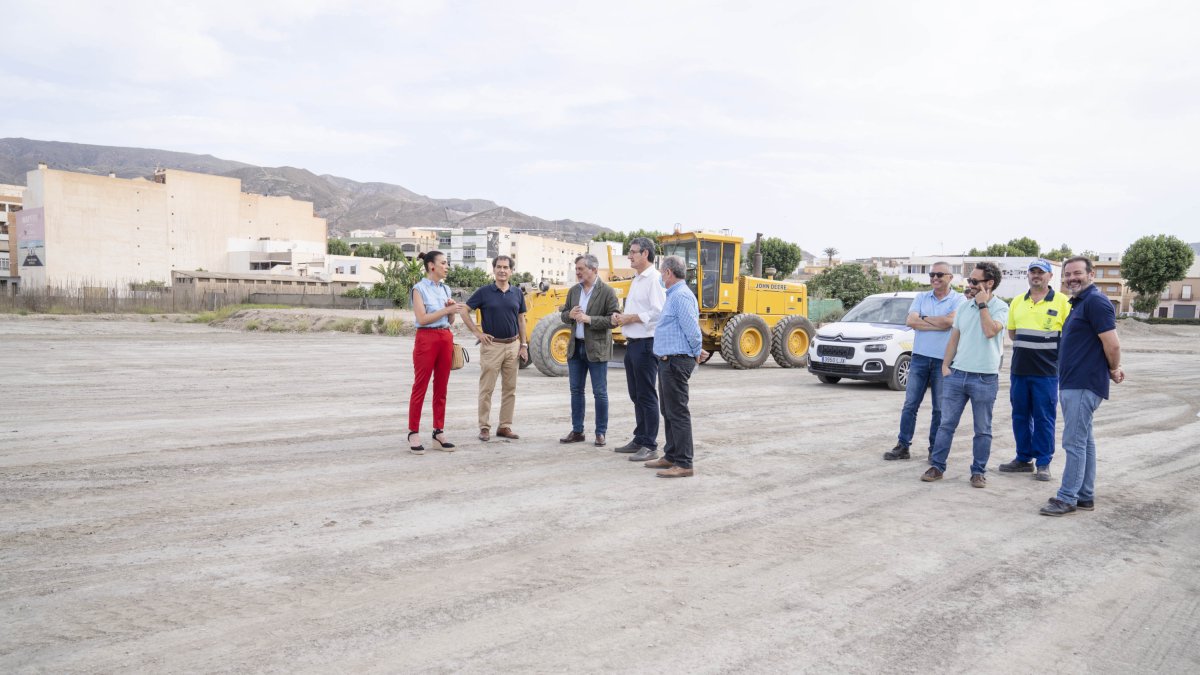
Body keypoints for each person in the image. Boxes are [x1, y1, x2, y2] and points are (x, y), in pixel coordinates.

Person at [1040, 256, 1124, 516]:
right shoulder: (1079, 303)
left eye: (1077, 273)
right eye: (1068, 274)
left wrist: (1113, 368)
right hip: (1074, 382)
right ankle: (1085, 495)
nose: (1072, 278)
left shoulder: (1096, 302)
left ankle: (1067, 497)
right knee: (1085, 441)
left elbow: (1112, 344)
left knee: (1073, 442)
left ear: (1091, 274)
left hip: (1083, 383)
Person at [922, 262, 1008, 487]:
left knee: (983, 429)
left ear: (989, 284)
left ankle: (978, 472)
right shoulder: (963, 307)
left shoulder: (1001, 308)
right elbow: (954, 338)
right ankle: (937, 466)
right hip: (956, 375)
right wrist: (945, 366)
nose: (968, 285)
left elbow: (990, 331)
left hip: (985, 378)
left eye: (974, 281)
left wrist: (982, 306)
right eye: (969, 280)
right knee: (946, 424)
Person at [999, 259, 1071, 481]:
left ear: (1050, 276)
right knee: (1020, 416)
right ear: (1028, 275)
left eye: (1041, 272)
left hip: (1047, 373)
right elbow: (1012, 333)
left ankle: (1043, 463)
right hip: (1019, 370)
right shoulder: (1017, 302)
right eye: (1033, 272)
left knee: (1043, 418)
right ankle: (1023, 459)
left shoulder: (1062, 302)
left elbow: (1069, 336)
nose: (1036, 276)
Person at [885, 261, 962, 461]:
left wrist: (925, 320)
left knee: (939, 409)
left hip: (943, 361)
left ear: (950, 277)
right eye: (932, 275)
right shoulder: (921, 297)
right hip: (919, 358)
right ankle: (903, 446)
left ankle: (934, 450)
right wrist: (940, 322)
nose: (935, 278)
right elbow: (911, 321)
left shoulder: (958, 299)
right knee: (910, 405)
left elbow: (950, 322)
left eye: (939, 275)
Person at [643, 255, 708, 477]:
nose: (661, 276)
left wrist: (696, 352)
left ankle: (684, 463)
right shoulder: (674, 295)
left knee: (678, 412)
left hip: (676, 361)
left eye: (662, 272)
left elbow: (692, 330)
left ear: (669, 273)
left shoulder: (680, 296)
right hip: (668, 360)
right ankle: (671, 455)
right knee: (668, 411)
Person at [461, 256, 528, 442]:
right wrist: (477, 333)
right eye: (499, 267)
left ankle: (505, 426)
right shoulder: (484, 292)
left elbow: (521, 319)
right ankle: (484, 427)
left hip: (513, 346)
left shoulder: (517, 293)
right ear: (493, 269)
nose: (502, 270)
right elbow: (464, 310)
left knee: (510, 389)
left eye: (506, 267)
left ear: (511, 271)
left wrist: (523, 345)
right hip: (492, 346)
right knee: (486, 389)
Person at [611, 237, 666, 462]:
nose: (629, 256)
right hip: (633, 343)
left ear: (645, 254)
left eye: (633, 252)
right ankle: (640, 438)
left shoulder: (654, 279)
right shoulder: (637, 279)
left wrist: (631, 317)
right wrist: (620, 317)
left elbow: (659, 312)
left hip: (646, 344)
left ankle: (650, 444)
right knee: (636, 394)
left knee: (646, 395)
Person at [558, 254, 621, 447]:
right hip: (575, 349)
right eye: (576, 269)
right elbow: (564, 316)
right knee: (576, 391)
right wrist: (569, 315)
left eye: (581, 269)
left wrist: (589, 319)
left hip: (597, 349)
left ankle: (600, 432)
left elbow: (613, 320)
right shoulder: (573, 291)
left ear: (593, 270)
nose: (577, 273)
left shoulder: (607, 292)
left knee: (599, 392)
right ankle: (577, 431)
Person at [407, 250, 465, 455]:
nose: (447, 266)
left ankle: (438, 432)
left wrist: (451, 311)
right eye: (444, 263)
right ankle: (413, 432)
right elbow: (422, 319)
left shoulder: (446, 289)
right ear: (432, 266)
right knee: (420, 385)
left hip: (445, 337)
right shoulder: (419, 289)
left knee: (442, 387)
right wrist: (446, 310)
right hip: (426, 338)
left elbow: (449, 321)